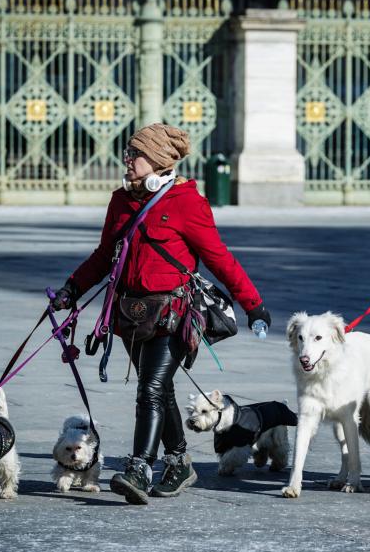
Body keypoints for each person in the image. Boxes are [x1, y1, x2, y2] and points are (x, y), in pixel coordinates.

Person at [51, 123, 271, 505]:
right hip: (131, 315)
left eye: (135, 154)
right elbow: (105, 255)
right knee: (161, 389)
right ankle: (179, 461)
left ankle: (140, 466)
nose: (128, 159)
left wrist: (253, 304)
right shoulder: (120, 200)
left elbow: (219, 258)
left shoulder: (187, 202)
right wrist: (71, 290)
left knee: (149, 388)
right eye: (128, 153)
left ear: (157, 161)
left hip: (173, 314)